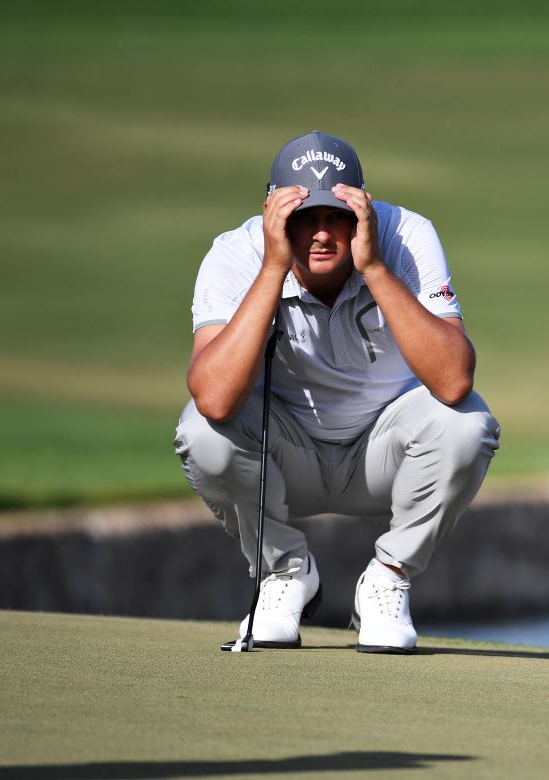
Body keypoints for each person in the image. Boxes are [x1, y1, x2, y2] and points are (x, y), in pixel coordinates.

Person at [174, 131, 500, 653]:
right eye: (304, 218)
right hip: (283, 458)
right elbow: (213, 397)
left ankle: (387, 579)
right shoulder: (235, 254)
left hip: (384, 455)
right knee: (201, 430)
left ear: (363, 212)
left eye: (337, 217)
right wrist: (273, 267)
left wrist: (374, 267)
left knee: (468, 423)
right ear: (273, 216)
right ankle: (285, 574)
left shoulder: (407, 236)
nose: (321, 235)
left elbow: (454, 378)